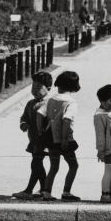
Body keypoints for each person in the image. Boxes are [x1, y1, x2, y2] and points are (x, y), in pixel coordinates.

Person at [37, 70, 81, 202]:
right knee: (73, 165)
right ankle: (66, 192)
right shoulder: (71, 102)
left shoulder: (51, 99)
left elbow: (40, 114)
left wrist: (40, 131)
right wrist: (64, 139)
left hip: (51, 137)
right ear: (74, 86)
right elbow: (67, 120)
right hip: (64, 139)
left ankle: (46, 192)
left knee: (54, 166)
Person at [12, 71, 53, 200]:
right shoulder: (30, 103)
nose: (34, 90)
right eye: (33, 87)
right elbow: (24, 117)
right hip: (34, 140)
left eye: (38, 87)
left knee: (36, 163)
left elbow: (51, 122)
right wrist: (23, 124)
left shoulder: (50, 104)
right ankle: (44, 189)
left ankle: (29, 190)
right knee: (37, 164)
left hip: (44, 141)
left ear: (48, 88)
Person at [94, 84, 111, 203]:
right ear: (102, 100)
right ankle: (105, 195)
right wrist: (101, 150)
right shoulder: (100, 115)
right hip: (109, 148)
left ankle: (110, 193)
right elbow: (100, 135)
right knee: (109, 171)